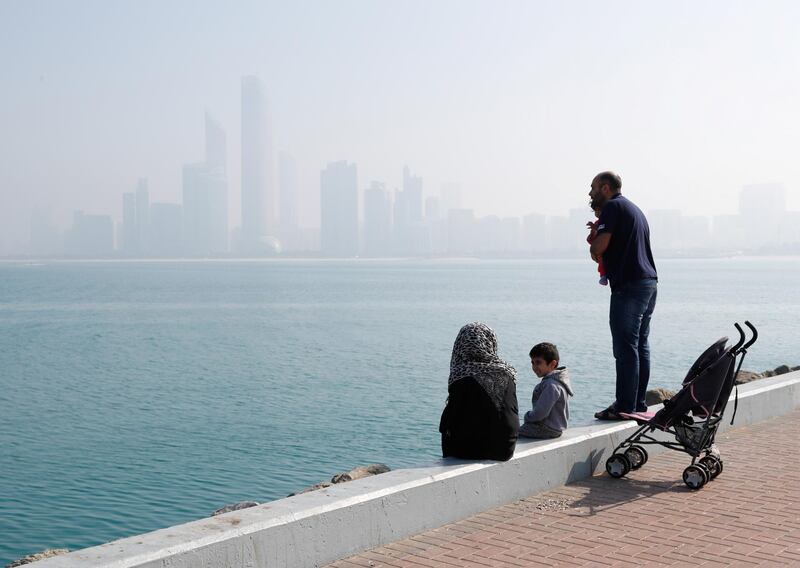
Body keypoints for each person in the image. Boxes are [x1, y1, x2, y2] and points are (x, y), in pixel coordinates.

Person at [588, 171, 658, 420]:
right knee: (640, 344)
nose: (590, 193)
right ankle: (637, 403)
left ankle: (624, 405)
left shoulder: (613, 207)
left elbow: (599, 248)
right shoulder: (634, 209)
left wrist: (594, 241)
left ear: (606, 188)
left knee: (625, 346)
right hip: (648, 282)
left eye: (593, 187)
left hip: (628, 285)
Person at [439, 322, 519, 461]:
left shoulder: (462, 374)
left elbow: (452, 415)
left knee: (446, 425)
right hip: (506, 447)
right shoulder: (507, 372)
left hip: (472, 450)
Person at [519, 342, 573, 439]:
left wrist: (528, 416)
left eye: (538, 362)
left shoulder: (551, 385)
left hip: (547, 429)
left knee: (510, 434)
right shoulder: (558, 381)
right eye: (532, 362)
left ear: (553, 364)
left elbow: (540, 413)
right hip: (555, 428)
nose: (534, 367)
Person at [586, 206, 608, 286]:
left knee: (602, 261)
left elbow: (604, 231)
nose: (597, 213)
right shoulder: (597, 223)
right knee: (601, 263)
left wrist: (595, 228)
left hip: (606, 248)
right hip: (600, 248)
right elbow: (591, 240)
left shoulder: (608, 222)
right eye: (596, 211)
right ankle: (603, 276)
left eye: (599, 211)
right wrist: (593, 231)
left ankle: (604, 275)